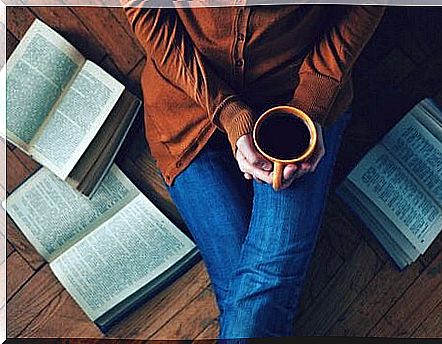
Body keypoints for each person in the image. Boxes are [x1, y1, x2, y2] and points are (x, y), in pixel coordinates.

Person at [122, 2, 384, 340]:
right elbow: (145, 11)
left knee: (257, 294)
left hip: (294, 103)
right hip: (187, 105)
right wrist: (227, 111)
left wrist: (311, 103)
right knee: (256, 298)